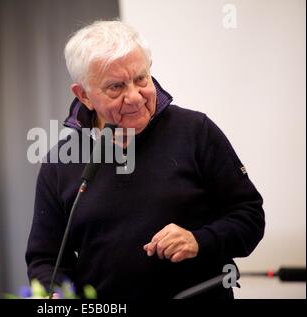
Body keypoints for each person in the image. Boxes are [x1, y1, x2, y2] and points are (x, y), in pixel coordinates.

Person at [25, 20, 265, 299]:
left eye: (141, 79)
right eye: (116, 87)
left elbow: (250, 218)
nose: (135, 97)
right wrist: (55, 295)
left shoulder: (196, 131)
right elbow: (46, 261)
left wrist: (199, 240)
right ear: (84, 95)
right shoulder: (60, 162)